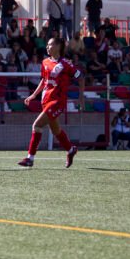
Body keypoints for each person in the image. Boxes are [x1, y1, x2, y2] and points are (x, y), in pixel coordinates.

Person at [17, 37, 82, 168]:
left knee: (37, 125)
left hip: (57, 101)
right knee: (56, 130)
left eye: (50, 45)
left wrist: (81, 98)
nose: (47, 47)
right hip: (45, 100)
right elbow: (44, 80)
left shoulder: (66, 64)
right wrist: (33, 95)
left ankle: (30, 158)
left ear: (58, 46)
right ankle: (71, 150)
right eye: (46, 45)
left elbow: (81, 77)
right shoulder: (45, 62)